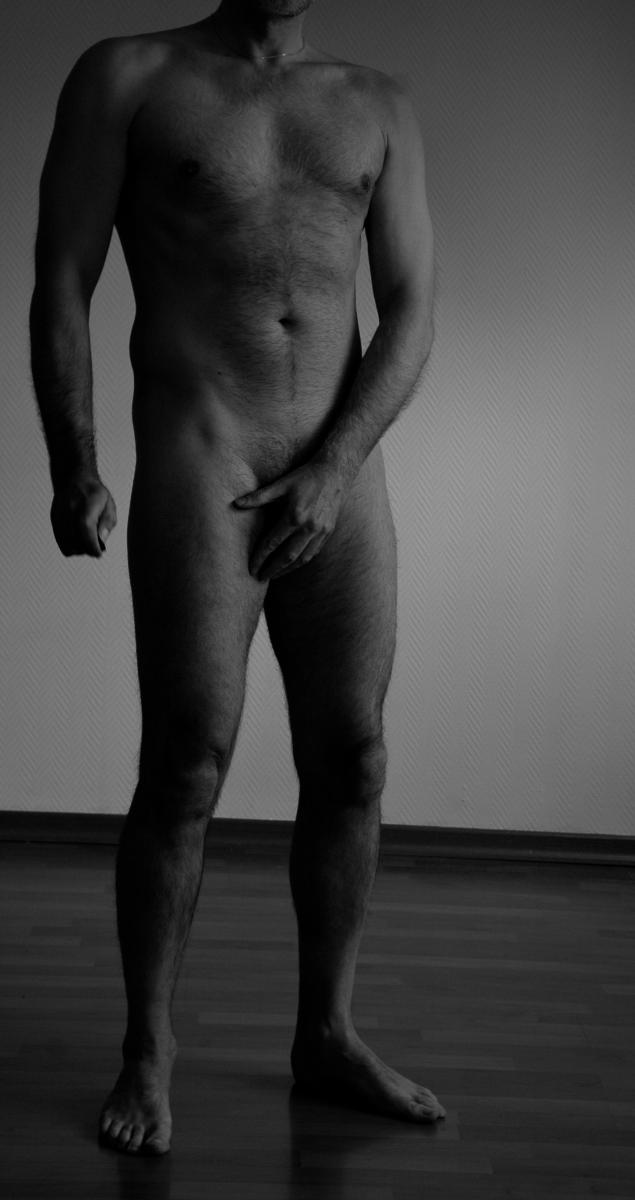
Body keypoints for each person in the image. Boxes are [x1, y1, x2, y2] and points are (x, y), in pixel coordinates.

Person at [29, 0, 442, 1156]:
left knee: (353, 756)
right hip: (202, 452)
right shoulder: (127, 76)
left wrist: (336, 466)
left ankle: (328, 1034)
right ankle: (147, 1050)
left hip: (335, 466)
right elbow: (61, 276)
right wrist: (74, 463)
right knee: (186, 761)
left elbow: (412, 307)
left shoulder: (376, 106)